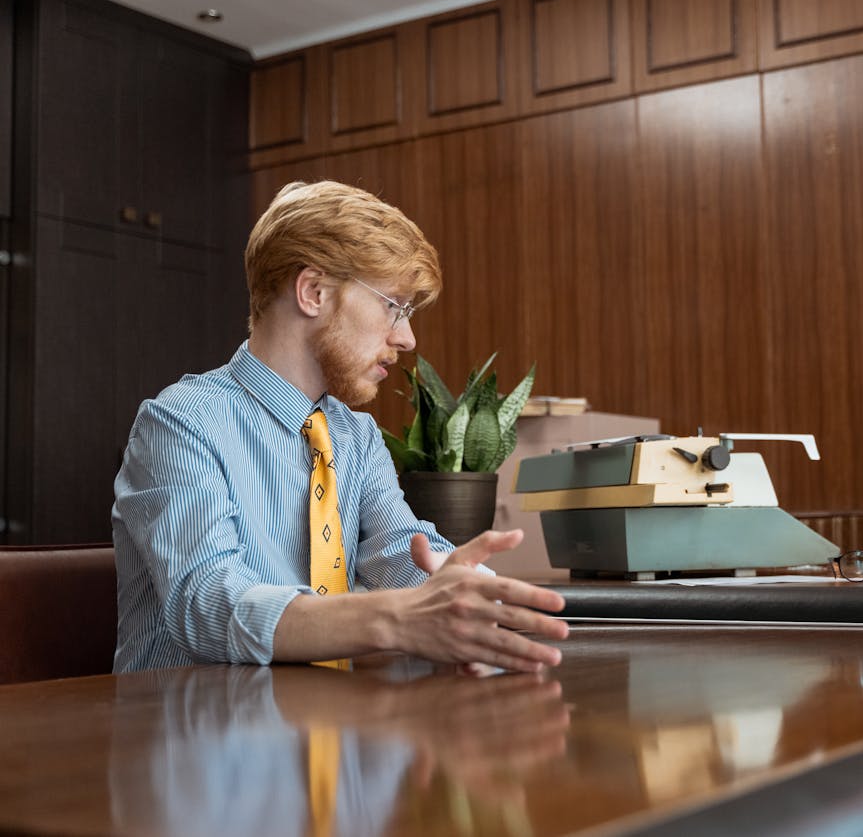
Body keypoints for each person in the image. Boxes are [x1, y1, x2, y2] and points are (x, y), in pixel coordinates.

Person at [112, 180, 568, 673]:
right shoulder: (180, 424)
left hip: (326, 723)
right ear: (314, 292)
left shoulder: (356, 436)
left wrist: (462, 590)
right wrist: (392, 619)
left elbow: (401, 550)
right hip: (192, 729)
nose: (407, 338)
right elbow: (207, 604)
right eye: (393, 305)